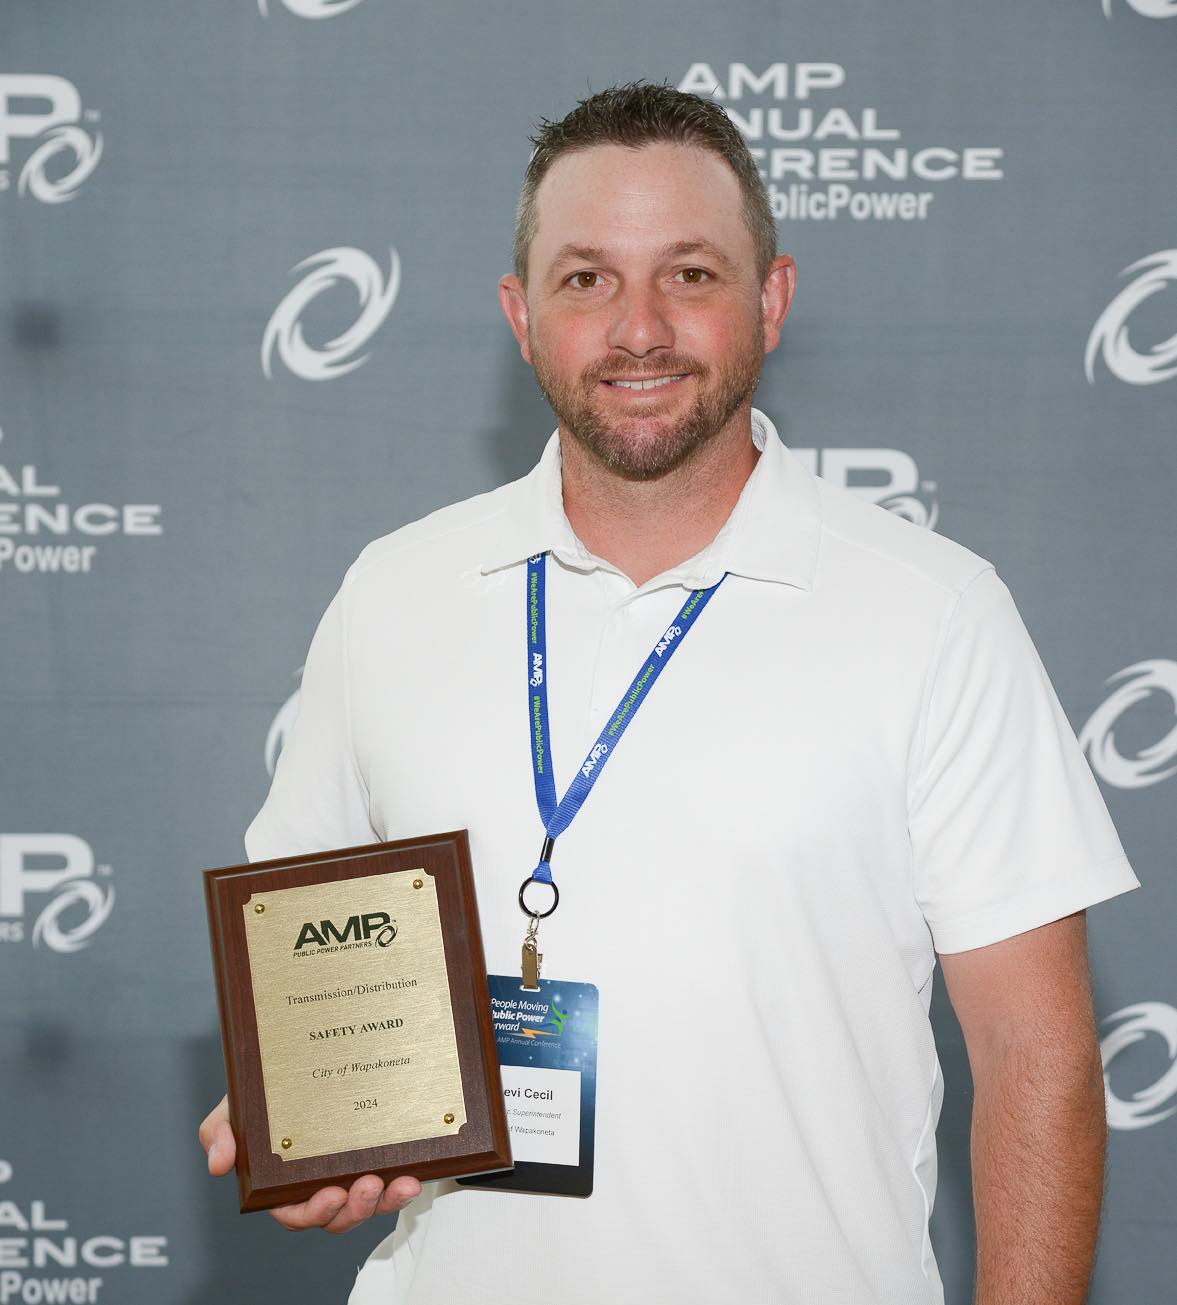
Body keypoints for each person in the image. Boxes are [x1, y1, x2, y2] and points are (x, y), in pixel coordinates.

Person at [200, 82, 1140, 1304]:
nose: (637, 327)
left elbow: (1037, 1062)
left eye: (689, 274)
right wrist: (304, 1114)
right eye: (585, 279)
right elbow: (306, 967)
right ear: (520, 315)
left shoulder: (933, 611)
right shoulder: (394, 592)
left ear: (772, 299)